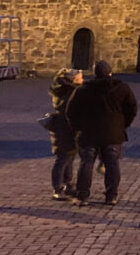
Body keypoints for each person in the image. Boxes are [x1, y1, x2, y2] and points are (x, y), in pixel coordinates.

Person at [66, 60, 138, 207]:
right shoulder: (122, 88)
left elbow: (71, 111)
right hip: (113, 131)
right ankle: (111, 195)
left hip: (88, 132)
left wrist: (77, 128)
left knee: (86, 163)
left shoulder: (83, 89)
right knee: (112, 164)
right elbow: (132, 108)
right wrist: (123, 124)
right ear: (110, 73)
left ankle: (83, 195)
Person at [48, 68, 82, 201]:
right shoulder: (69, 91)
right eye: (80, 78)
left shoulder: (63, 88)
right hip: (65, 127)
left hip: (62, 126)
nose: (82, 80)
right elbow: (71, 110)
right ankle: (57, 188)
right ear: (73, 79)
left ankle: (68, 185)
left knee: (69, 157)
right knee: (63, 158)